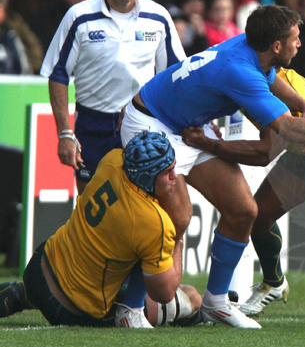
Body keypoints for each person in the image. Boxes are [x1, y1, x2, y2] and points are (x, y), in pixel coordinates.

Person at [119, 4, 305, 329]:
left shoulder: (252, 50)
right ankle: (130, 308)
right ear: (276, 46)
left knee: (244, 210)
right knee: (173, 216)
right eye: (295, 38)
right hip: (151, 125)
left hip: (187, 126)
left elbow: (271, 78)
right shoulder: (242, 72)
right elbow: (287, 130)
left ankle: (217, 303)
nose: (299, 44)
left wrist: (303, 104)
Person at [0, 132, 199, 328]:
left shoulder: (112, 160)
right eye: (167, 172)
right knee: (191, 297)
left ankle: (20, 295)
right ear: (147, 176)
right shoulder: (154, 223)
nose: (175, 176)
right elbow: (163, 293)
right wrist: (178, 236)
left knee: (26, 294)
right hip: (75, 307)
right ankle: (152, 312)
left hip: (40, 268)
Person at [39, 0, 185, 195]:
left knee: (150, 205)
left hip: (141, 122)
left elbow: (175, 75)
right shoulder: (79, 16)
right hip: (92, 124)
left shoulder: (158, 16)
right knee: (91, 209)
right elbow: (57, 74)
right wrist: (64, 133)